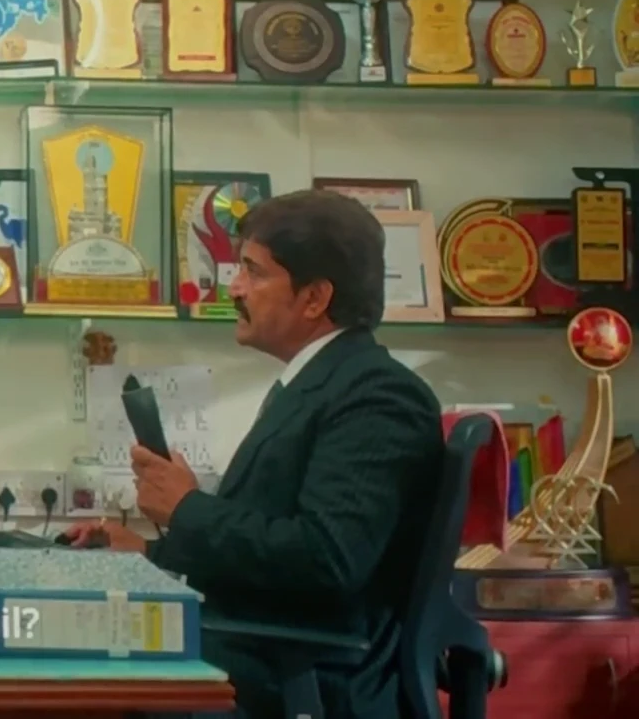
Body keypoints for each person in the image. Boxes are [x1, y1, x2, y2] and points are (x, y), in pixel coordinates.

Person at [68, 190, 442, 719]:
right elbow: (272, 556)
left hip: (297, 684)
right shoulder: (320, 384)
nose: (235, 287)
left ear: (314, 298)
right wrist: (150, 555)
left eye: (254, 272)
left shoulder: (378, 396)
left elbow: (326, 559)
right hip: (257, 659)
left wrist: (187, 509)